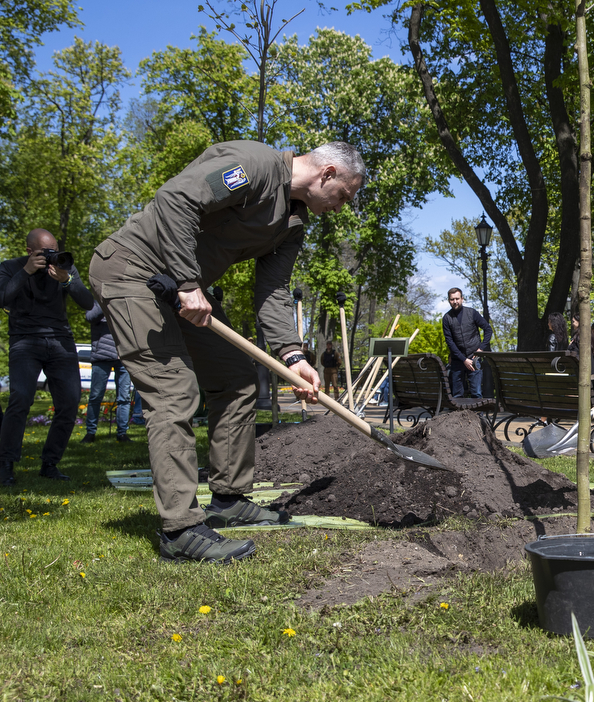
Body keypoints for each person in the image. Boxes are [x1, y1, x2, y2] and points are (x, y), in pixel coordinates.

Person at [89, 140, 360, 563]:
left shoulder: (293, 226)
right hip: (134, 272)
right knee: (173, 391)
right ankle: (180, 530)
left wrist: (294, 356)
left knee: (235, 377)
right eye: (344, 195)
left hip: (181, 290)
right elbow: (175, 200)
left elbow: (271, 292)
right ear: (327, 174)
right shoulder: (254, 165)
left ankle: (229, 499)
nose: (341, 207)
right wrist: (186, 282)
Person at [0, 229, 95, 483]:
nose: (52, 255)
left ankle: (50, 463)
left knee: (70, 402)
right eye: (45, 252)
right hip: (24, 339)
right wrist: (26, 271)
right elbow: (2, 297)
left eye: (54, 249)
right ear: (30, 251)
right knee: (20, 398)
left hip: (60, 340)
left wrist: (66, 280)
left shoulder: (65, 267)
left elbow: (87, 302)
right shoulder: (11, 267)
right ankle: (6, 464)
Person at [81, 301, 132, 443]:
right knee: (95, 396)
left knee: (124, 397)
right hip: (102, 356)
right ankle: (90, 433)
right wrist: (106, 302)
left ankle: (122, 433)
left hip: (124, 355)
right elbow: (90, 317)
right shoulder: (98, 300)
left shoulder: (124, 301)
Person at [441, 287, 492, 398]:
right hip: (457, 360)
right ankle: (459, 416)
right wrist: (463, 360)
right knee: (457, 395)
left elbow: (488, 329)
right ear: (449, 300)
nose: (455, 302)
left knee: (476, 393)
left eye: (457, 298)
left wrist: (481, 349)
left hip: (474, 359)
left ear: (462, 299)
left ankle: (478, 415)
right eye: (452, 299)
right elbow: (449, 342)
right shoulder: (447, 318)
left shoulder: (472, 313)